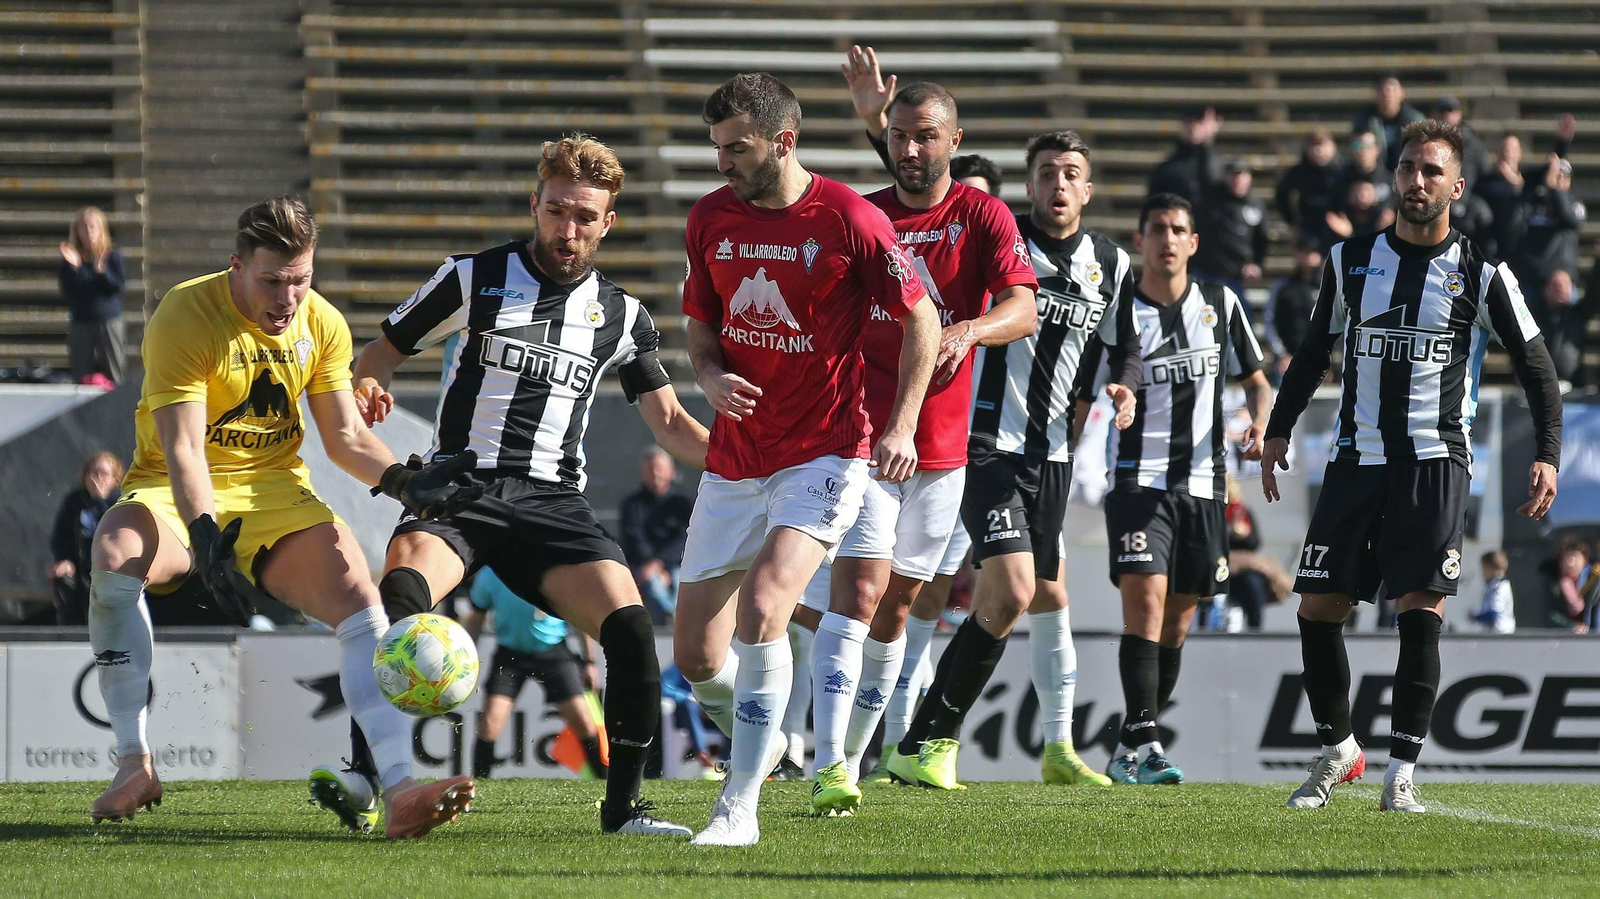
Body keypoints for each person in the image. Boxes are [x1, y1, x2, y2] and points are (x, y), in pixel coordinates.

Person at [326, 135, 711, 839]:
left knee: (630, 630)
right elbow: (379, 354)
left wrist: (748, 463)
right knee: (402, 592)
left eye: (584, 217)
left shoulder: (623, 316)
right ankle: (367, 773)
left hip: (553, 503)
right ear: (535, 205)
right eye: (556, 210)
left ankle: (624, 810)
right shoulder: (471, 277)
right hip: (459, 489)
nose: (568, 229)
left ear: (608, 223)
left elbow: (671, 423)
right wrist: (369, 383)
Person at [85, 196, 481, 835]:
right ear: (236, 266)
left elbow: (345, 438)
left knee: (362, 602)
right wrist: (204, 535)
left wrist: (405, 481)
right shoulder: (186, 312)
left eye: (301, 279)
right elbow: (183, 449)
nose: (288, 297)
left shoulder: (322, 323)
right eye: (271, 281)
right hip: (175, 485)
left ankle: (401, 790)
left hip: (273, 490)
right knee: (113, 557)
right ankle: (135, 762)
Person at [1263, 119, 1562, 814]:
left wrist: (1547, 453)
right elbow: (1313, 352)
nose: (1416, 181)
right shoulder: (1349, 261)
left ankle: (1401, 770)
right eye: (1407, 168)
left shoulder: (1483, 274)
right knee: (1317, 608)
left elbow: (1538, 369)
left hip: (1434, 461)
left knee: (1419, 609)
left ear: (1457, 187)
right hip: (1356, 459)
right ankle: (1339, 749)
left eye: (1432, 171)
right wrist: (1278, 428)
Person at [672, 71, 938, 846]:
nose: (722, 162)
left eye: (736, 148)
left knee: (765, 608)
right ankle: (772, 735)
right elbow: (700, 324)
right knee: (696, 656)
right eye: (716, 147)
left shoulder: (849, 218)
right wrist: (710, 375)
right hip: (735, 457)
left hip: (825, 452)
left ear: (783, 142)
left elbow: (921, 317)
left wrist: (902, 425)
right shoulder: (709, 218)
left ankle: (738, 807)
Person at [786, 55, 1035, 814]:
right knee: (858, 594)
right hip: (863, 439)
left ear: (954, 140)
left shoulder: (982, 216)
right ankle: (828, 762)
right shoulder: (860, 217)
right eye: (898, 135)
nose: (911, 149)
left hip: (944, 450)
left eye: (925, 136)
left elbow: (1023, 307)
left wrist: (971, 327)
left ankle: (858, 759)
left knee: (898, 607)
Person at [888, 128, 1142, 791]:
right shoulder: (999, 240)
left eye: (1070, 173)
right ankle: (921, 740)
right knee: (1010, 588)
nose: (1058, 184)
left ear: (1088, 188)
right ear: (1028, 185)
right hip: (982, 443)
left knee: (1009, 599)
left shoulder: (1111, 263)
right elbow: (920, 200)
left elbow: (1124, 345)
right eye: (1047, 172)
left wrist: (1123, 386)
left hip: (1052, 454)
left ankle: (921, 743)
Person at [1092, 193, 1271, 784]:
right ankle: (1149, 746)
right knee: (1145, 605)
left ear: (1192, 242)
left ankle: (1128, 746)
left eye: (1177, 230)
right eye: (1157, 229)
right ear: (1140, 241)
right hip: (1138, 482)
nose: (1167, 239)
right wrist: (1114, 401)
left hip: (1204, 487)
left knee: (1176, 625)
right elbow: (1090, 384)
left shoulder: (1220, 303)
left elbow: (1258, 381)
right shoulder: (1120, 310)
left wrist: (1261, 422)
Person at [463, 567, 607, 779]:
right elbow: (476, 618)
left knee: (583, 722)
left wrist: (589, 662)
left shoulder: (552, 568)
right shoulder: (490, 574)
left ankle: (605, 784)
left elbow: (579, 618)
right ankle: (477, 785)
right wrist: (465, 658)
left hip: (553, 652)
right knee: (489, 723)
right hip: (509, 656)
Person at [49, 451, 124, 625]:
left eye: (103, 473)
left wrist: (100, 501)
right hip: (80, 567)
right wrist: (65, 560)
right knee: (63, 579)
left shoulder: (121, 502)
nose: (97, 478)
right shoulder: (74, 502)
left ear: (115, 480)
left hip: (110, 568)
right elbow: (61, 536)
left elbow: (115, 534)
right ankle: (71, 631)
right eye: (93, 473)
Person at [619, 446, 693, 623]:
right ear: (641, 473)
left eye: (659, 468)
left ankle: (676, 618)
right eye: (650, 469)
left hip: (677, 564)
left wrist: (660, 563)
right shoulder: (632, 505)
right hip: (642, 565)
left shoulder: (683, 503)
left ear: (671, 471)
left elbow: (685, 538)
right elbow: (634, 538)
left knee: (679, 580)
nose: (655, 474)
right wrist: (652, 565)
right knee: (653, 582)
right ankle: (671, 616)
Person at [57, 206, 127, 384]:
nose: (88, 232)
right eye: (84, 227)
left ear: (101, 229)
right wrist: (76, 269)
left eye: (92, 226)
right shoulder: (71, 259)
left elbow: (117, 287)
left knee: (114, 371)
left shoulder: (111, 255)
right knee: (81, 373)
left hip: (108, 321)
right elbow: (69, 291)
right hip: (81, 321)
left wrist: (102, 272)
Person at [1193, 160, 1267, 300]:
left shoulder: (1255, 205)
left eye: (1242, 176)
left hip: (1236, 276)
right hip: (1207, 272)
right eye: (1233, 176)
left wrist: (1256, 264)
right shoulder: (1212, 202)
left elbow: (1262, 239)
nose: (1237, 180)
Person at [1264, 235, 1324, 380]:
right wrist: (1282, 354)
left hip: (1319, 360)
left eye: (1312, 252)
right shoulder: (1283, 287)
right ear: (1297, 254)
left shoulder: (1328, 287)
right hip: (1287, 359)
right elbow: (1269, 321)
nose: (1308, 257)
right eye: (1304, 252)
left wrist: (1328, 360)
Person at [1275, 130, 1347, 249]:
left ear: (1333, 146)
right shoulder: (1299, 172)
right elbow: (1281, 194)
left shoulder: (1343, 170)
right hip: (1309, 228)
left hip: (1339, 228)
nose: (1318, 151)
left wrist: (1348, 223)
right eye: (1314, 146)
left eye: (1322, 145)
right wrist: (1292, 222)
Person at [1147, 107, 1222, 208]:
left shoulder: (1217, 165)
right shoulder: (1168, 169)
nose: (1193, 127)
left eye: (1199, 122)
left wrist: (1207, 143)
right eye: (1189, 122)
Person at [1350, 75, 1425, 172]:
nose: (1388, 95)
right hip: (1372, 172)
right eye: (1384, 91)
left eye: (1393, 90)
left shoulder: (1414, 120)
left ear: (1402, 92)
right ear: (1376, 94)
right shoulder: (1364, 119)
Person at [1429, 97, 1488, 193]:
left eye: (1451, 110)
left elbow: (1484, 177)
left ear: (1459, 114)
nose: (1446, 115)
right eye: (1442, 111)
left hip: (1467, 197)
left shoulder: (1473, 145)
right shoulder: (1426, 144)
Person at [1337, 131, 1393, 209]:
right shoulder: (1341, 179)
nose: (1362, 151)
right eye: (1357, 146)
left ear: (1377, 149)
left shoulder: (1390, 180)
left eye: (1367, 146)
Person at [1329, 178, 1394, 243]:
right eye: (1356, 191)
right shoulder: (1341, 218)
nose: (1362, 197)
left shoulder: (1381, 218)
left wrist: (1383, 234)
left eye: (1367, 192)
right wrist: (1347, 234)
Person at [1471, 550, 1515, 634]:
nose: (1482, 572)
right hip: (1494, 631)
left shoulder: (1499, 586)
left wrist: (1475, 618)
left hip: (1500, 632)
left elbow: (1494, 613)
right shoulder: (1491, 585)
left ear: (1490, 568)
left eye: (1484, 568)